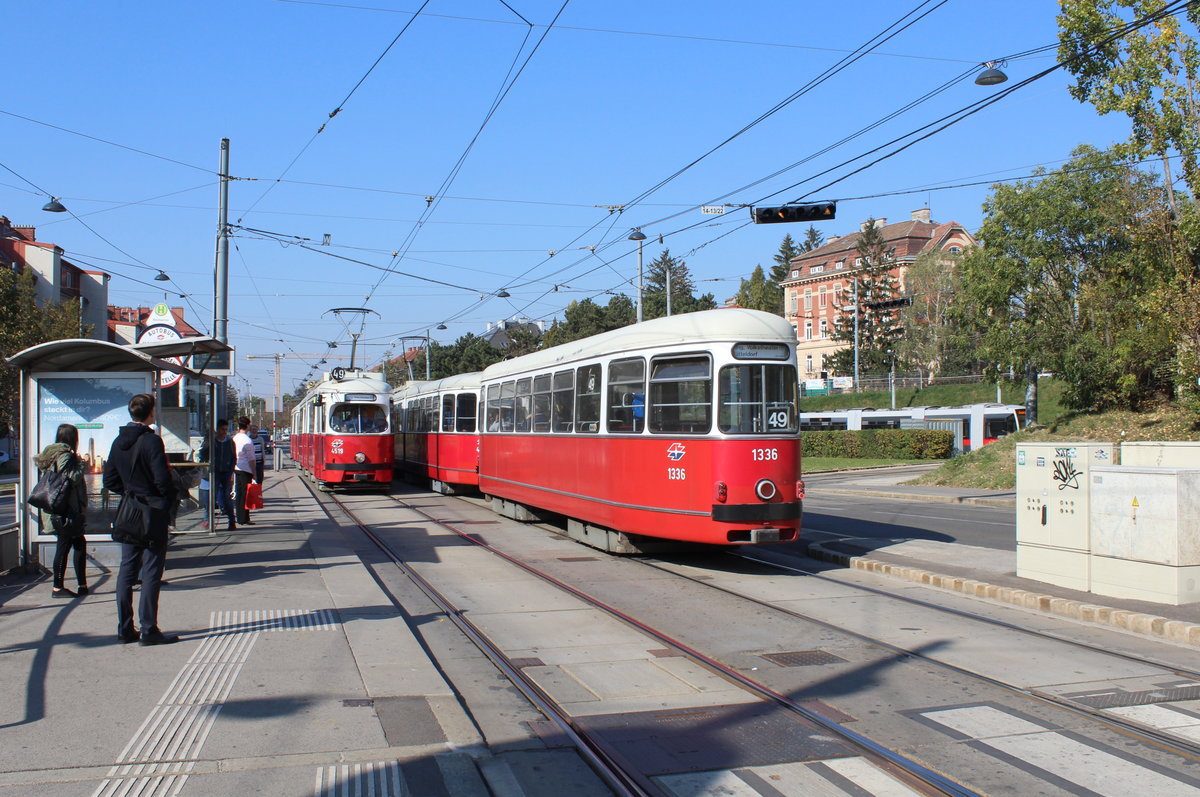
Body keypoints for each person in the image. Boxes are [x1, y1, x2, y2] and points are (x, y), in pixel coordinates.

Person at [102, 393, 179, 646]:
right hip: (151, 513)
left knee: (126, 570)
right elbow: (162, 480)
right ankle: (149, 629)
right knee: (151, 571)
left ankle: (124, 629)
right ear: (150, 413)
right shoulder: (151, 441)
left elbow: (110, 481)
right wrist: (164, 502)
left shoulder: (117, 441)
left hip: (128, 513)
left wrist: (130, 494)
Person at [35, 424, 89, 598]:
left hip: (59, 508)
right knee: (65, 546)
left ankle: (82, 585)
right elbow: (69, 478)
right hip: (66, 509)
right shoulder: (64, 455)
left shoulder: (52, 453)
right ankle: (58, 588)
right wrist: (81, 465)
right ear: (72, 438)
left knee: (77, 543)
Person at [199, 419, 236, 530]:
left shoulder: (229, 442)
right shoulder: (212, 441)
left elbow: (234, 458)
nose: (224, 432)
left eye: (225, 429)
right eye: (222, 429)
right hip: (214, 472)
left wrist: (231, 472)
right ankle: (208, 520)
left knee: (226, 498)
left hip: (225, 472)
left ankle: (231, 521)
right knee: (211, 497)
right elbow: (202, 454)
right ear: (217, 429)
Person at [232, 417, 256, 526]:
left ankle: (240, 518)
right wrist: (254, 472)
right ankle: (244, 518)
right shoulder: (247, 440)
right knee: (246, 495)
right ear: (247, 426)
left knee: (239, 493)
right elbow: (251, 459)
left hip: (236, 468)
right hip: (246, 469)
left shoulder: (235, 438)